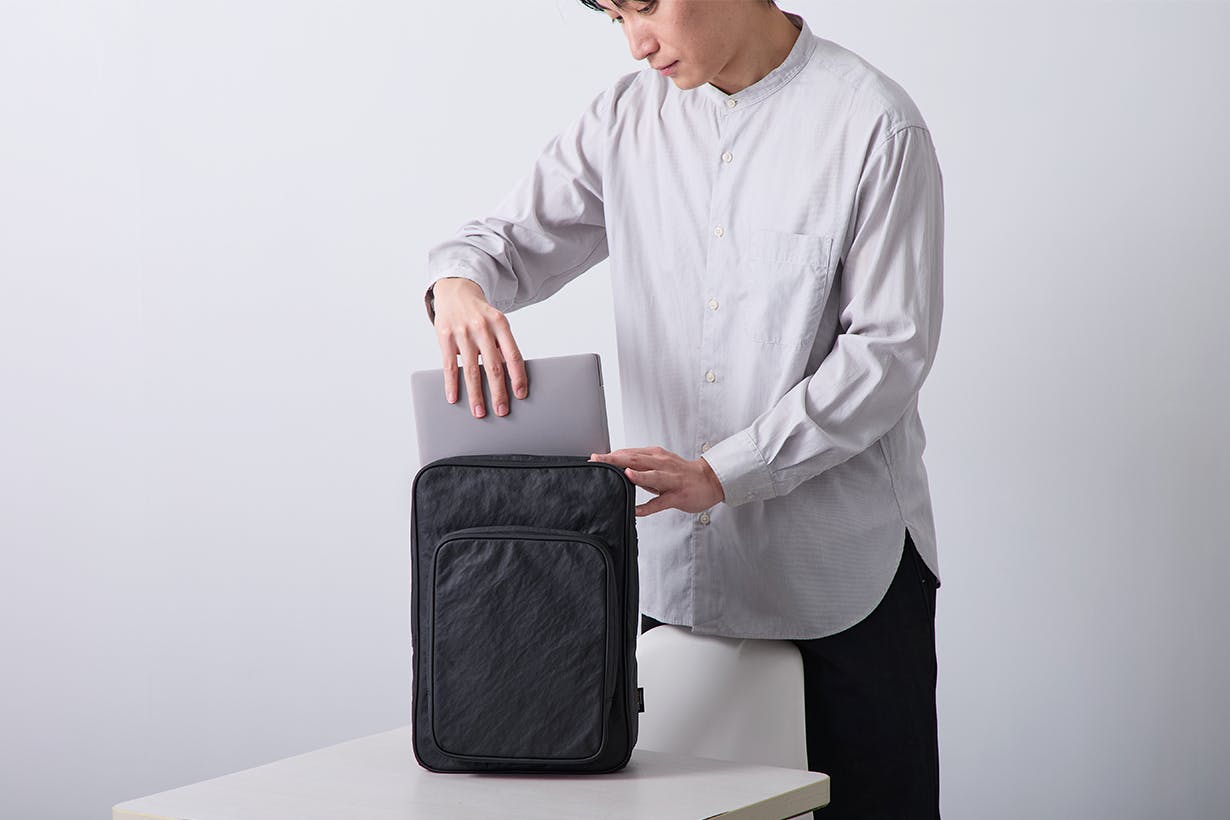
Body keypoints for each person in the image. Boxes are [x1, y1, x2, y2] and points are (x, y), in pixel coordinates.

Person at [423, 1, 944, 816]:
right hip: (672, 572)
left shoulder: (873, 124)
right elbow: (509, 242)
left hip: (843, 571)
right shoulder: (625, 119)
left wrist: (726, 471)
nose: (637, 43)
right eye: (615, 17)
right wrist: (458, 284)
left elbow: (887, 353)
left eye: (647, 6)